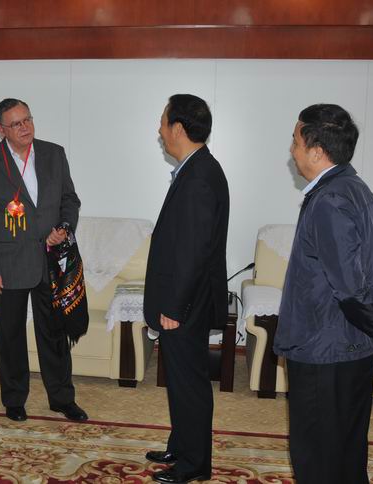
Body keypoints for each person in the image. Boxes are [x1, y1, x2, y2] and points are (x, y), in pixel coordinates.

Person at [274, 104, 373, 484]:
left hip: (326, 350)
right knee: (345, 451)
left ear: (317, 151)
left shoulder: (330, 200)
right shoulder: (355, 189)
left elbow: (351, 289)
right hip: (352, 347)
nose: (292, 150)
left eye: (295, 141)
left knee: (318, 457)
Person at [0, 98, 87, 423]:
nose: (25, 127)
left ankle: (62, 399)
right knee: (10, 335)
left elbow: (70, 199)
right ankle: (14, 399)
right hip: (8, 263)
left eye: (28, 120)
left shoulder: (53, 153)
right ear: (1, 130)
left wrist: (64, 227)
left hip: (50, 260)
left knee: (54, 333)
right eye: (16, 124)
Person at [143, 94, 229, 484]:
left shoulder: (198, 177)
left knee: (189, 383)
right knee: (179, 379)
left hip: (186, 303)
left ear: (178, 128)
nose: (160, 130)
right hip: (186, 299)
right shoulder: (196, 169)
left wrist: (174, 307)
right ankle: (181, 445)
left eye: (163, 122)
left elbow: (193, 251)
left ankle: (194, 464)